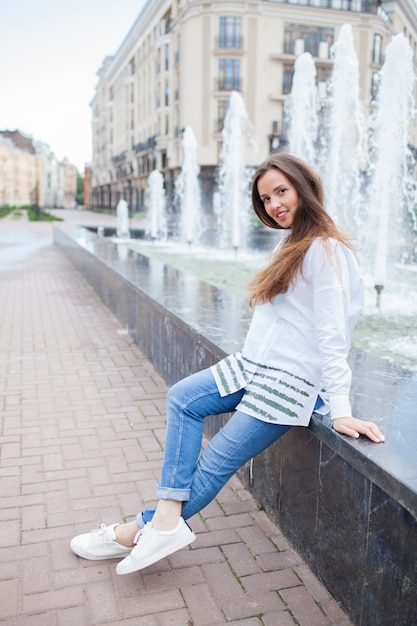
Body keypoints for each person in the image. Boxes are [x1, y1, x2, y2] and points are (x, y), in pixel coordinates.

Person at [70, 153, 385, 575]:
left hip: (287, 383)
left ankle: (136, 530)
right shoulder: (291, 242)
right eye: (266, 198)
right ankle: (162, 524)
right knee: (183, 397)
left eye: (281, 191)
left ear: (304, 188)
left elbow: (333, 335)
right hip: (252, 366)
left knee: (217, 459)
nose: (274, 204)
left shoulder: (324, 250)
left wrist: (341, 410)